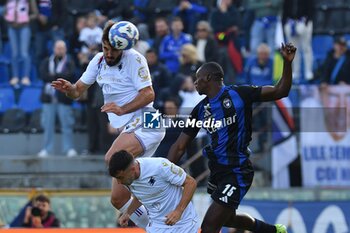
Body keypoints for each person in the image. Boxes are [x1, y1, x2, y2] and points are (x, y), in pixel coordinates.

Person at [167, 43, 297, 233]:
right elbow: (180, 146)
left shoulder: (240, 94)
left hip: (237, 170)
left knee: (210, 226)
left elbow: (280, 91)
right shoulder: (200, 110)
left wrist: (287, 63)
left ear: (209, 78)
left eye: (198, 79)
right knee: (229, 219)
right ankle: (274, 231)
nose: (195, 83)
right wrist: (162, 171)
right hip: (218, 172)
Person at [51, 20, 165, 228]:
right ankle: (158, 227)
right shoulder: (98, 61)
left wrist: (122, 109)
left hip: (150, 120)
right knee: (118, 199)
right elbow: (78, 91)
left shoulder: (135, 59)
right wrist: (69, 89)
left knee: (112, 158)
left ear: (123, 47)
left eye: (113, 50)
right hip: (131, 127)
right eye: (105, 48)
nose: (109, 54)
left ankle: (160, 201)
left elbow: (149, 94)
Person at [108, 150, 199, 233]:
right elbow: (142, 195)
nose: (119, 182)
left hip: (184, 224)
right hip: (157, 226)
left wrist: (178, 211)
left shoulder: (159, 166)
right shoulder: (128, 179)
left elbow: (190, 183)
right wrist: (128, 213)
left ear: (132, 169)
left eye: (120, 177)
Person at [38, 40, 77, 157]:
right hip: (48, 98)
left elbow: (71, 75)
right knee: (47, 125)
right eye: (58, 48)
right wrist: (59, 76)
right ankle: (46, 148)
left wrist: (53, 76)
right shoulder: (46, 61)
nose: (60, 50)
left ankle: (68, 148)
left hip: (64, 98)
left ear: (65, 50)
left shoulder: (69, 62)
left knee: (67, 124)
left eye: (62, 48)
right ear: (54, 49)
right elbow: (43, 75)